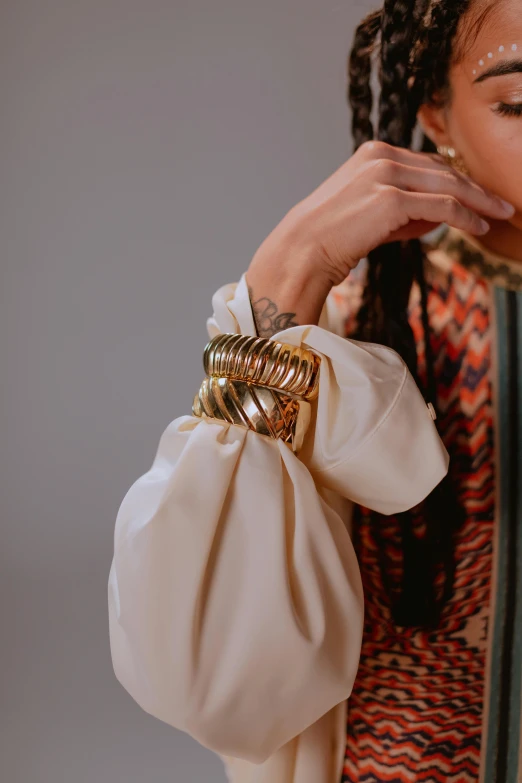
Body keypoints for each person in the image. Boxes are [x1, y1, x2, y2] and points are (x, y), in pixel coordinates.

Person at [108, 0, 522, 781]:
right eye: (520, 103)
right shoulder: (344, 337)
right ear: (436, 111)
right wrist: (289, 271)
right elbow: (209, 680)